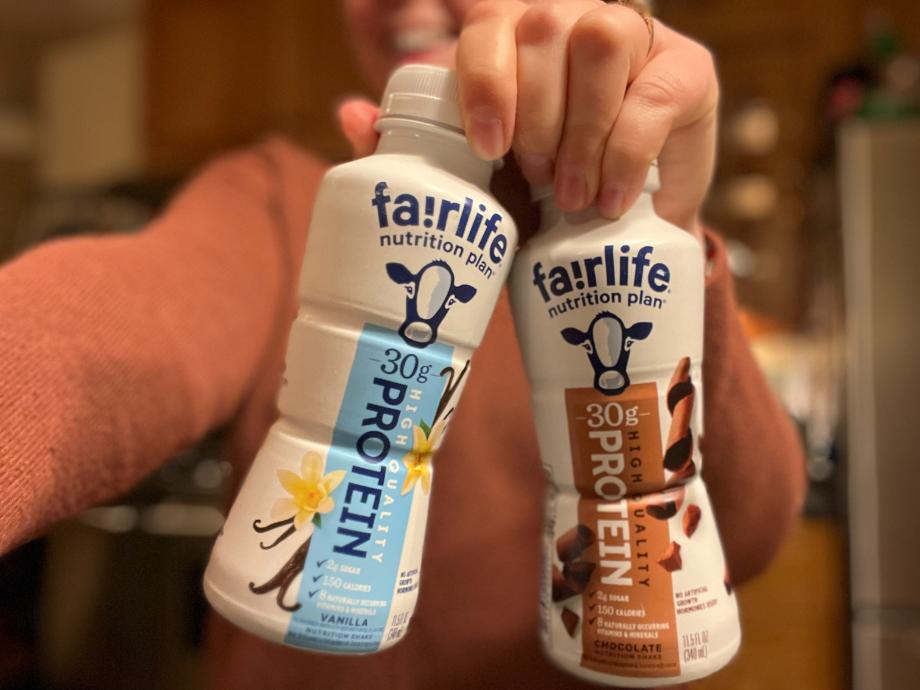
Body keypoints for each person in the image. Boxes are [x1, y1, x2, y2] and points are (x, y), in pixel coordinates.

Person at [0, 1, 805, 688]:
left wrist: (675, 232)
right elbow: (100, 328)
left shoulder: (650, 249)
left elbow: (754, 533)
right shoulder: (279, 199)